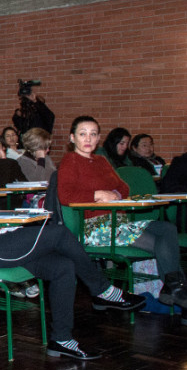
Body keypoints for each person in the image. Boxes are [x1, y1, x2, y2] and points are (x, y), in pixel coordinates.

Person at [0, 128, 145, 360]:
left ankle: (62, 340)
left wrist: (4, 219)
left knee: (63, 266)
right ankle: (102, 290)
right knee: (59, 234)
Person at [58, 116, 187, 309]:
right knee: (162, 244)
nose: (88, 139)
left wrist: (114, 194)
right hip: (94, 228)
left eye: (93, 134)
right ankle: (178, 293)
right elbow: (65, 195)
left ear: (98, 138)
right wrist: (97, 194)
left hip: (118, 223)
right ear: (72, 138)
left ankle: (173, 290)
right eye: (82, 134)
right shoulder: (70, 161)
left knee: (167, 229)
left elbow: (124, 188)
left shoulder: (101, 161)